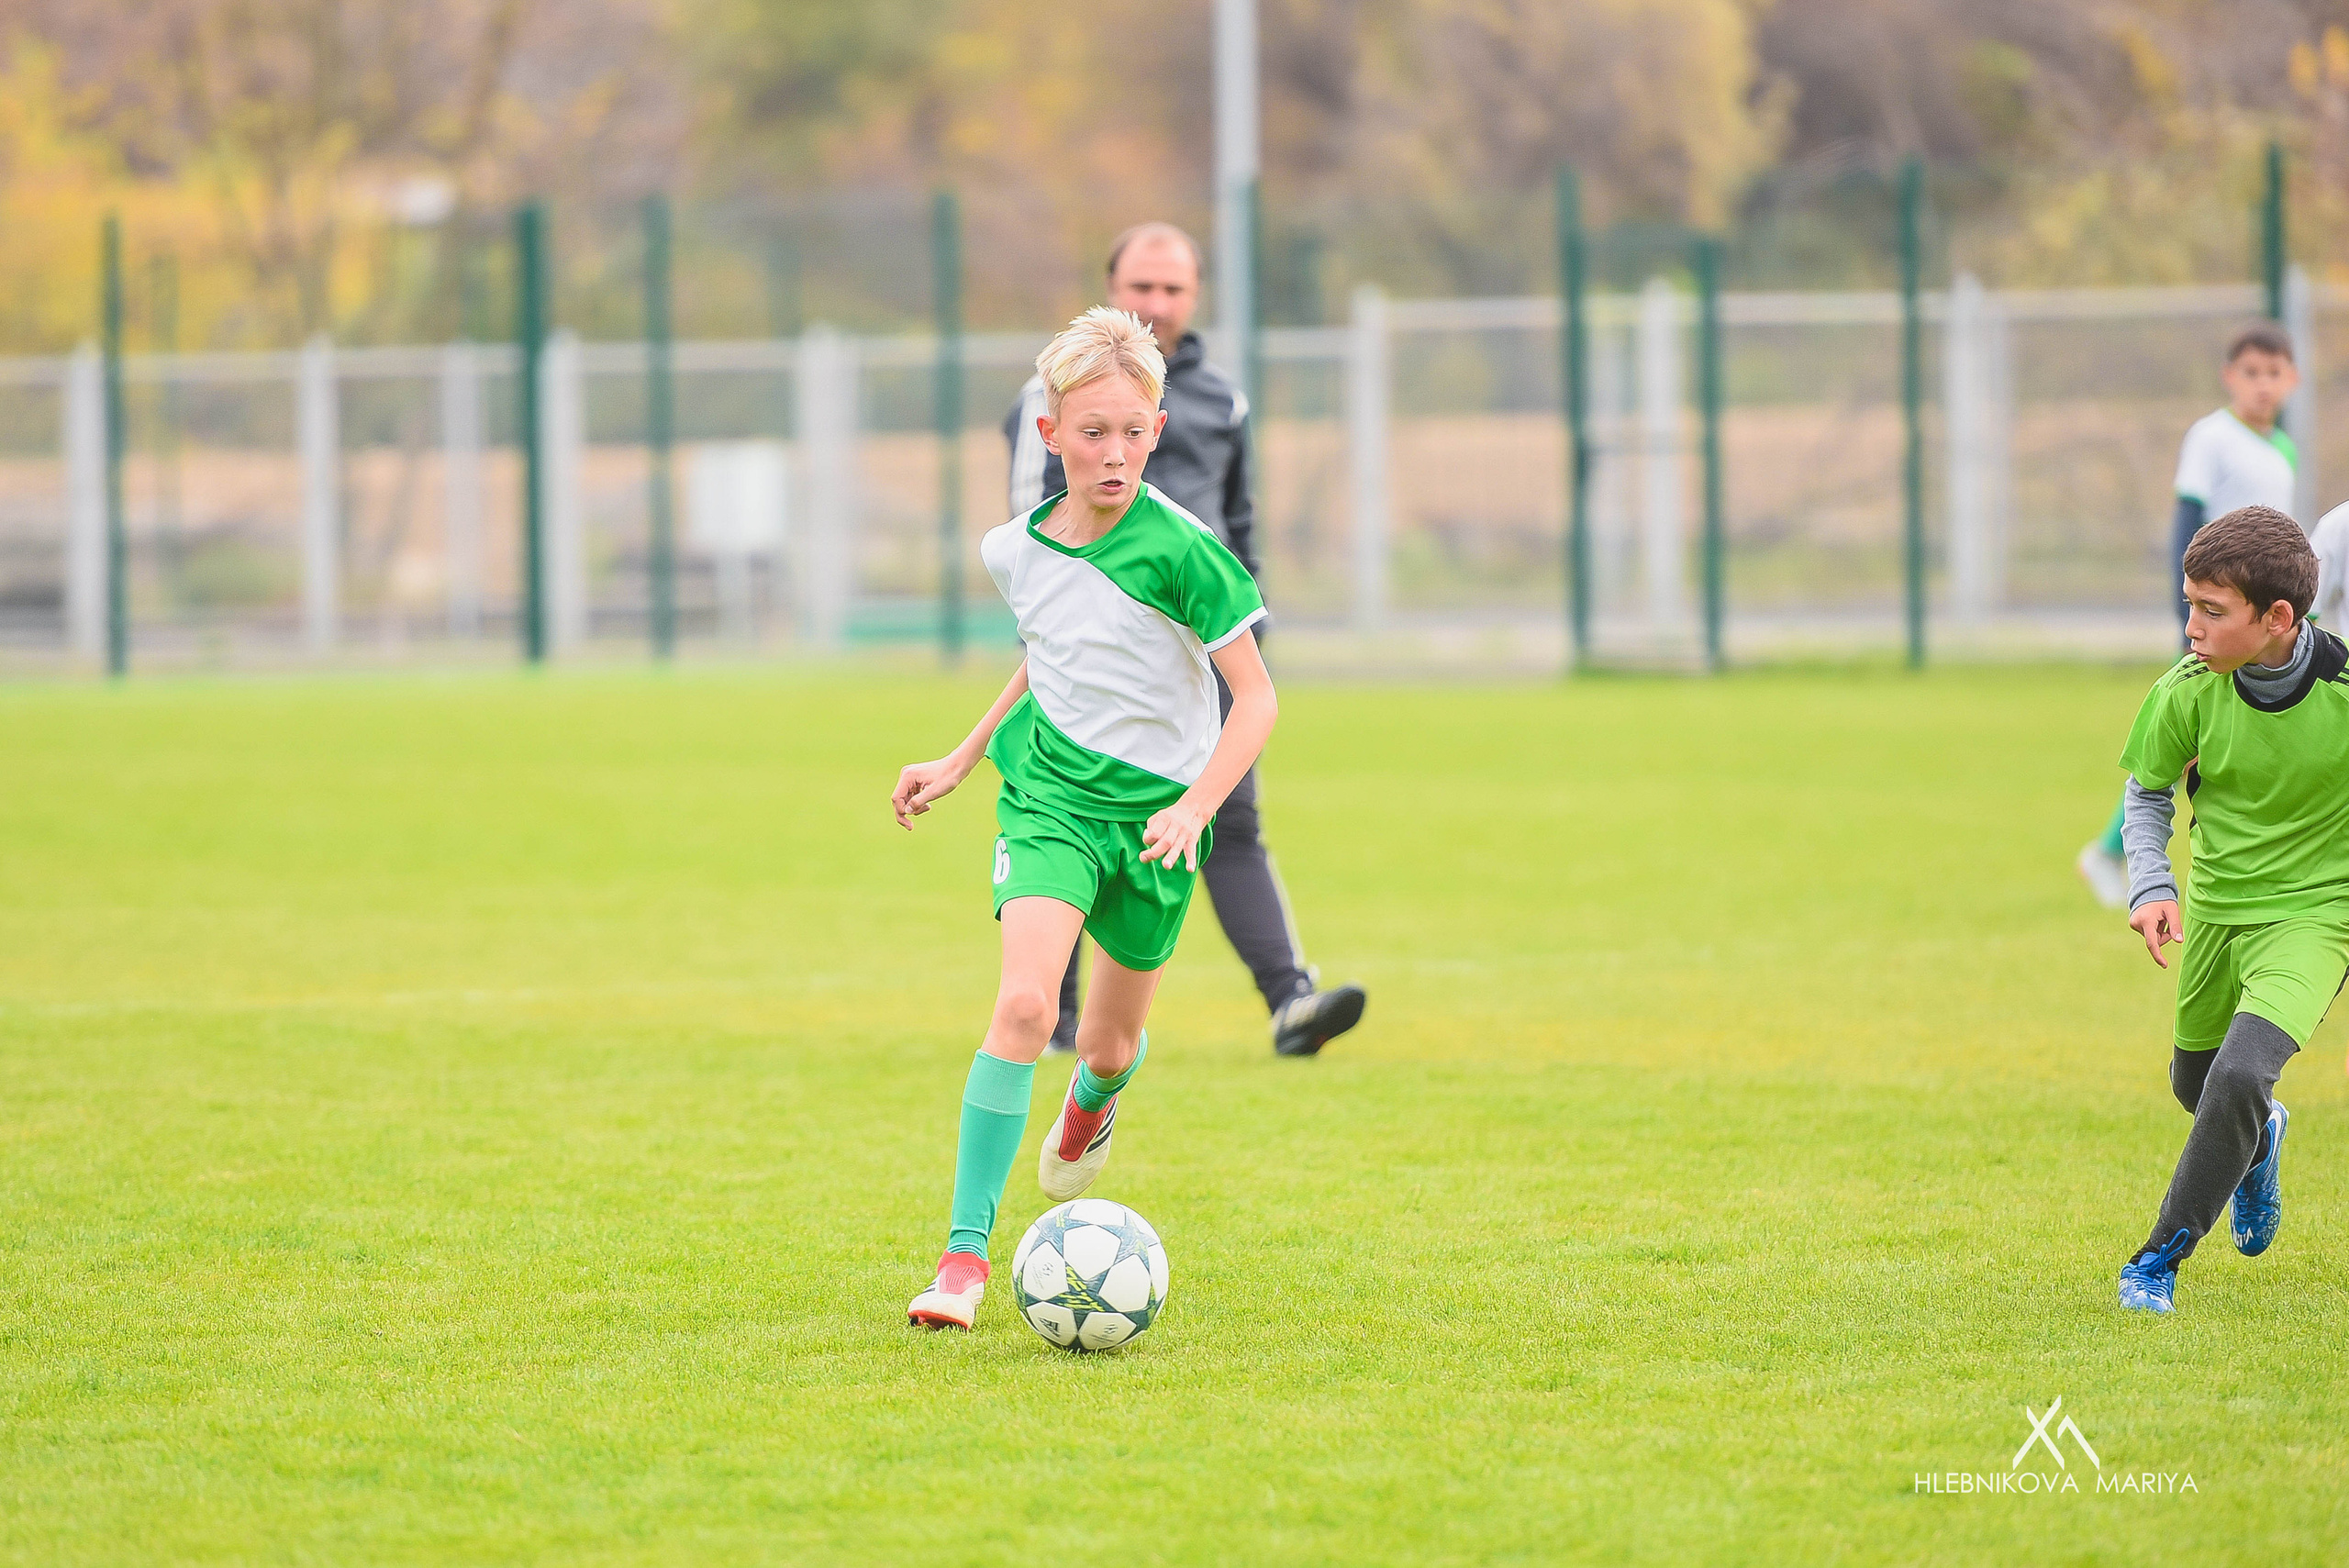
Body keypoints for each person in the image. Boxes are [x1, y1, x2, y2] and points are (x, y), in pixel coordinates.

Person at [896, 307, 1276, 1329]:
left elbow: (1257, 698)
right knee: (1025, 1007)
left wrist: (1197, 804)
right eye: (1092, 430)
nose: (1113, 451)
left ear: (1158, 431)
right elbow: (1048, 655)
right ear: (1049, 433)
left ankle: (1092, 1105)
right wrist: (964, 754)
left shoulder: (1188, 553)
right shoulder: (1014, 550)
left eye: (1133, 430)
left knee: (1106, 1046)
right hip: (1051, 797)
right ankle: (963, 1259)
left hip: (1157, 824)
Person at [1004, 221, 1365, 1059]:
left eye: (1173, 290)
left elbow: (1239, 522)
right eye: (1142, 288)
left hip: (1204, 656)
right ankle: (1053, 1017)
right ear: (1112, 290)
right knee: (1070, 816)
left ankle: (1289, 1001)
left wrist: (1244, 625)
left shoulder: (1221, 400)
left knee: (1226, 821)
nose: (1157, 303)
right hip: (1089, 652)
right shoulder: (1050, 399)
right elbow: (1030, 534)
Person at [2110, 506, 2345, 1312]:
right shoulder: (2186, 692)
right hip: (2217, 911)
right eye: (2188, 605)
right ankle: (2261, 1138)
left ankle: (2155, 1260)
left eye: (2212, 611)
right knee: (2199, 1086)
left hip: (2317, 917)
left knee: (2242, 1073)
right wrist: (2152, 885)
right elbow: (2145, 791)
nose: (2190, 629)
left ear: (2278, 618)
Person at [2079, 324, 2300, 907]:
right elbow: (2188, 522)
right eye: (2251, 372)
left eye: (2274, 373)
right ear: (2230, 377)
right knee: (2186, 740)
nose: (2262, 385)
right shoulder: (2212, 436)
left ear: (2292, 381)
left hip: (2260, 623)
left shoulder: (2283, 447)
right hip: (2225, 619)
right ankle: (2111, 851)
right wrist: (2194, 614)